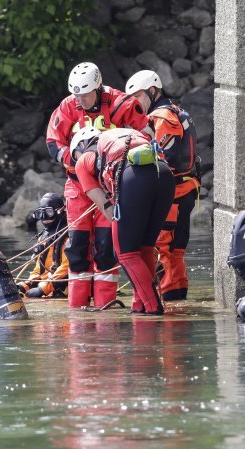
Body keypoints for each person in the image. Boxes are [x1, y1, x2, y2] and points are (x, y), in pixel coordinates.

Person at [46, 62, 151, 308]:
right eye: (76, 95)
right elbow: (53, 141)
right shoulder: (68, 106)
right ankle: (78, 308)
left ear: (98, 87)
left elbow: (146, 134)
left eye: (84, 94)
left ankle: (105, 306)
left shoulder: (122, 104)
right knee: (78, 247)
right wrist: (71, 158)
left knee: (105, 247)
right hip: (77, 183)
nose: (80, 100)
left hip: (110, 186)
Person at [70, 126, 175, 315]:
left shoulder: (83, 161)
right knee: (145, 247)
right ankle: (139, 304)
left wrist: (123, 225)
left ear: (82, 146)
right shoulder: (121, 135)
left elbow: (107, 209)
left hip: (134, 177)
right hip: (164, 174)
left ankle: (152, 307)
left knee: (126, 253)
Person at [125, 69, 201, 301]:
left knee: (162, 248)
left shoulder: (161, 117)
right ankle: (176, 295)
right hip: (185, 190)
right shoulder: (177, 111)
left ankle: (164, 297)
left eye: (138, 97)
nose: (135, 104)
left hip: (174, 193)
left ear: (152, 91)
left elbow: (160, 156)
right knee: (175, 250)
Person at [17, 192, 70, 299]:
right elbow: (39, 269)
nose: (44, 217)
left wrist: (43, 289)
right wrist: (27, 285)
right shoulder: (44, 236)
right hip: (48, 284)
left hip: (64, 288)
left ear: (60, 211)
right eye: (40, 213)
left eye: (49, 212)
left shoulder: (68, 235)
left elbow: (67, 268)